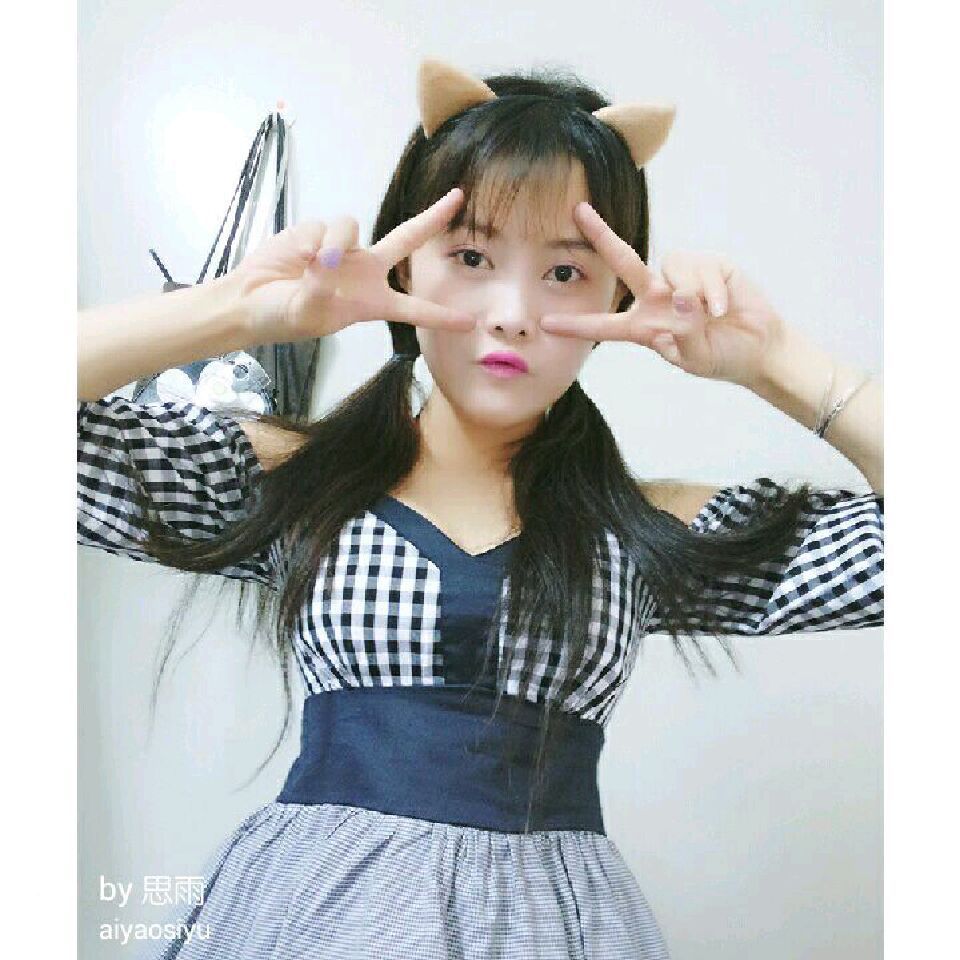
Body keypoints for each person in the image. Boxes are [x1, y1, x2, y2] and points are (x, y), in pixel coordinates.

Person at [77, 59, 883, 960]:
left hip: (553, 930)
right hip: (311, 915)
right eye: (471, 258)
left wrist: (773, 359)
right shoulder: (290, 482)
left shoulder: (642, 533)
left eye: (566, 272)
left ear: (619, 296)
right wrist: (237, 310)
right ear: (405, 260)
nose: (512, 314)